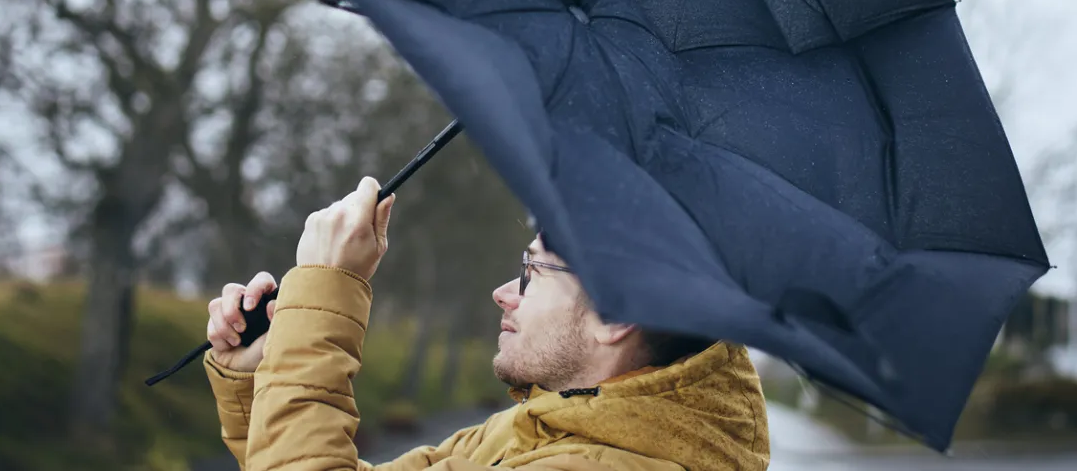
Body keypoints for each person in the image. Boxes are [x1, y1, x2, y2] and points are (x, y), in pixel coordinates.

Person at [203, 177, 770, 471]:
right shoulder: (540, 427)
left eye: (532, 273)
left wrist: (325, 288)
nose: (504, 294)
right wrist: (258, 377)